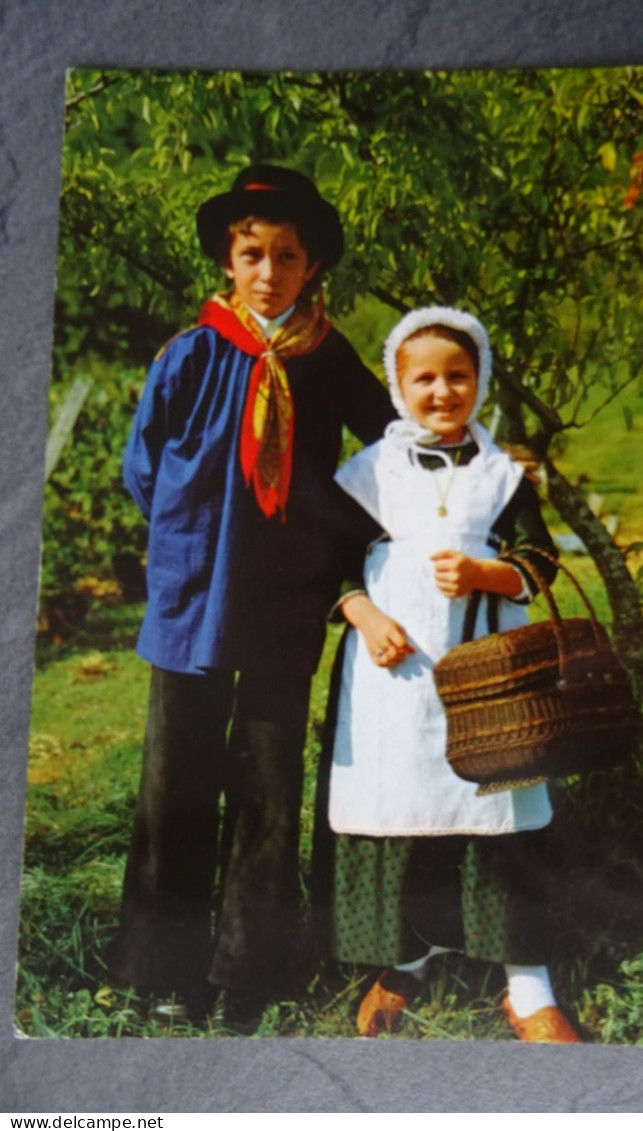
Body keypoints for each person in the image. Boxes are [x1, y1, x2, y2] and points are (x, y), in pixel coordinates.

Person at [109, 164, 395, 1032]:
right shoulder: (192, 351)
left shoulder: (329, 358)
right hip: (192, 595)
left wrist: (328, 539)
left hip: (283, 601)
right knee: (176, 784)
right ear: (228, 261)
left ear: (311, 268)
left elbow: (386, 454)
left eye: (287, 255)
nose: (268, 271)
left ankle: (247, 971)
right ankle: (163, 969)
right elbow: (143, 463)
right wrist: (192, 537)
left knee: (269, 786)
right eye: (252, 252)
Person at [322, 307, 581, 1042]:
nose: (442, 390)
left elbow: (539, 559)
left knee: (498, 805)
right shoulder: (369, 470)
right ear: (398, 387)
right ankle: (409, 953)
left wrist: (486, 574)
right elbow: (332, 563)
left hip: (489, 665)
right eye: (424, 377)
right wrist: (366, 617)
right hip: (394, 671)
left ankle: (528, 984)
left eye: (457, 375)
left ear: (481, 381)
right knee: (404, 805)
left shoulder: (504, 475)